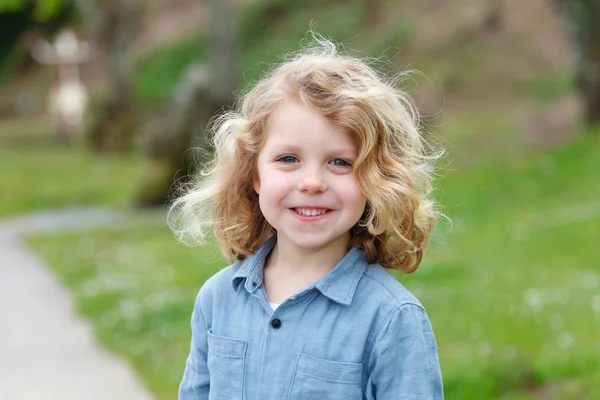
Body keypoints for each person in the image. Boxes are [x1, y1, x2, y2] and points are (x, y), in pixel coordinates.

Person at [169, 34, 445, 400]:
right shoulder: (218, 299)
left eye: (340, 162)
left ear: (376, 181)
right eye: (288, 159)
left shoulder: (391, 318)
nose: (312, 182)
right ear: (254, 173)